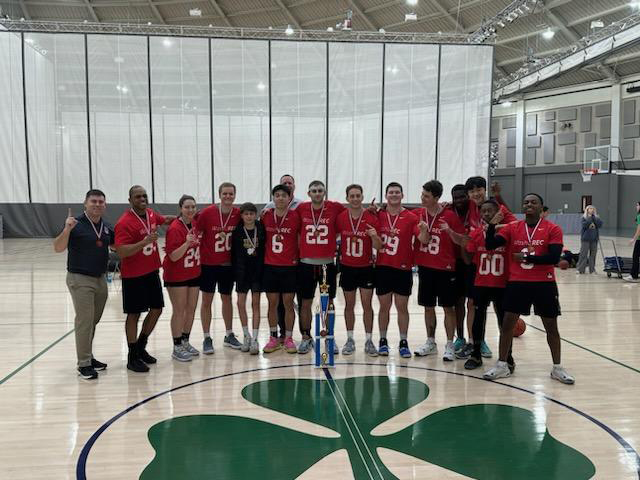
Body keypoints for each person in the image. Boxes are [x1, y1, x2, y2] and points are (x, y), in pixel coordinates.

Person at [483, 193, 574, 384]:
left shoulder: (553, 228)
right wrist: (492, 225)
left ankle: (557, 368)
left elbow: (553, 257)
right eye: (526, 202)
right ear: (522, 207)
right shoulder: (513, 227)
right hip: (518, 282)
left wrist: (526, 258)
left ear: (542, 207)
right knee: (507, 324)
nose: (529, 204)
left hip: (544, 283)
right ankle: (502, 365)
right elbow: (490, 244)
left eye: (534, 202)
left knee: (551, 327)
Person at [53, 190, 114, 380]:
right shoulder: (75, 224)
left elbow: (116, 248)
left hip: (100, 278)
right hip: (80, 279)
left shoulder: (106, 227)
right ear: (85, 203)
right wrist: (66, 230)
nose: (97, 204)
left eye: (101, 202)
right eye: (93, 201)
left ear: (105, 205)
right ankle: (84, 364)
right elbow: (57, 248)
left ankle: (88, 355)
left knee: (93, 321)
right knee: (85, 321)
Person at [115, 185, 175, 373]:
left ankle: (141, 346)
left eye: (145, 195)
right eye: (138, 196)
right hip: (133, 275)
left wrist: (184, 217)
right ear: (130, 200)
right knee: (134, 314)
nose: (142, 199)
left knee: (157, 309)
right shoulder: (124, 222)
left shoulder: (150, 214)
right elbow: (121, 251)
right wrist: (144, 242)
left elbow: (164, 220)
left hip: (151, 271)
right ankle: (132, 356)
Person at [413, 180, 466, 362]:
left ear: (436, 198)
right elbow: (424, 241)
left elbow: (462, 241)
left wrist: (449, 231)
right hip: (426, 267)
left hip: (446, 269)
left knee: (448, 308)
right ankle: (430, 342)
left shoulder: (450, 215)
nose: (422, 198)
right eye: (422, 194)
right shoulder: (418, 214)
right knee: (428, 307)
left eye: (426, 196)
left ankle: (450, 344)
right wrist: (424, 231)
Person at [462, 200, 513, 370]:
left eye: (490, 211)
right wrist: (464, 244)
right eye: (483, 212)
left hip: (502, 284)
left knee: (503, 321)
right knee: (478, 318)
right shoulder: (476, 233)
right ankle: (476, 354)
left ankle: (507, 356)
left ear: (498, 212)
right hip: (482, 282)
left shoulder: (507, 232)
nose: (486, 214)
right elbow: (468, 259)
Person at [296, 180, 345, 355]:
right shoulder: (301, 209)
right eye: (314, 191)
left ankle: (329, 337)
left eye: (320, 191)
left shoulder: (335, 207)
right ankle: (306, 337)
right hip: (306, 264)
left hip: (327, 264)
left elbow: (353, 214)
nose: (317, 193)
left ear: (324, 192)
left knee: (328, 303)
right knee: (305, 302)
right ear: (309, 193)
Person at [336, 184, 382, 356]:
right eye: (352, 196)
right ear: (347, 198)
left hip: (366, 268)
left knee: (367, 305)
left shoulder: (371, 217)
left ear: (362, 197)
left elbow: (380, 246)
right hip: (347, 268)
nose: (355, 199)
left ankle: (369, 340)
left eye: (358, 196)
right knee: (349, 305)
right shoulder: (341, 217)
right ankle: (349, 339)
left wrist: (374, 236)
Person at [196, 182, 241, 353]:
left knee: (227, 299)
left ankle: (229, 334)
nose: (228, 196)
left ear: (235, 195)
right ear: (219, 195)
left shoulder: (238, 213)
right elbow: (197, 232)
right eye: (225, 194)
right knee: (206, 301)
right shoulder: (207, 213)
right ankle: (207, 337)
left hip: (228, 265)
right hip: (208, 264)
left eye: (231, 194)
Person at [375, 182, 419, 358]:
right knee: (384, 307)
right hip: (383, 266)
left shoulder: (411, 217)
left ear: (402, 195)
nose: (394, 195)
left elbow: (422, 238)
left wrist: (424, 231)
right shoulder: (378, 214)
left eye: (397, 192)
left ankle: (403, 341)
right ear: (386, 196)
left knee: (402, 307)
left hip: (403, 268)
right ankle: (383, 340)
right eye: (391, 192)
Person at [262, 174, 303, 340]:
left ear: (289, 198)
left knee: (288, 305)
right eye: (277, 195)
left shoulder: (296, 217)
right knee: (272, 304)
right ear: (273, 198)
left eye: (284, 196)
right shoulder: (265, 215)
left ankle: (289, 337)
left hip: (289, 267)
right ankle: (273, 337)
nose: (280, 198)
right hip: (270, 266)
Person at [163, 195, 201, 362]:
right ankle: (176, 345)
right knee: (179, 310)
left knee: (191, 309)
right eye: (187, 207)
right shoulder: (174, 228)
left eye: (193, 207)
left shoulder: (196, 224)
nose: (190, 210)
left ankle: (185, 340)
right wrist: (186, 243)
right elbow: (172, 256)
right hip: (176, 275)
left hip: (194, 272)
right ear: (180, 208)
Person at [231, 202, 266, 354]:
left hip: (257, 272)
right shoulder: (238, 231)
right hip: (242, 273)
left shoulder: (261, 228)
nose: (249, 216)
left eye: (252, 213)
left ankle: (255, 339)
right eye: (246, 214)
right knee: (240, 303)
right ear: (242, 215)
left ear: (255, 215)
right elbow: (234, 254)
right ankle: (246, 335)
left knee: (256, 305)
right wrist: (235, 273)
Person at [577, 205, 602, 275]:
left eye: (593, 209)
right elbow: (584, 225)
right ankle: (580, 269)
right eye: (590, 208)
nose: (591, 210)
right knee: (583, 254)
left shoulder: (596, 217)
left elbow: (600, 224)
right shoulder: (584, 218)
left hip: (594, 239)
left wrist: (594, 218)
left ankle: (592, 270)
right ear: (587, 210)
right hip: (585, 239)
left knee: (593, 255)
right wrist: (590, 218)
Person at [623, 201, 640, 282]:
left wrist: (634, 239)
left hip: (639, 241)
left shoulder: (639, 216)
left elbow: (639, 229)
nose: (636, 207)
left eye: (637, 205)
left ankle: (634, 276)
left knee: (635, 257)